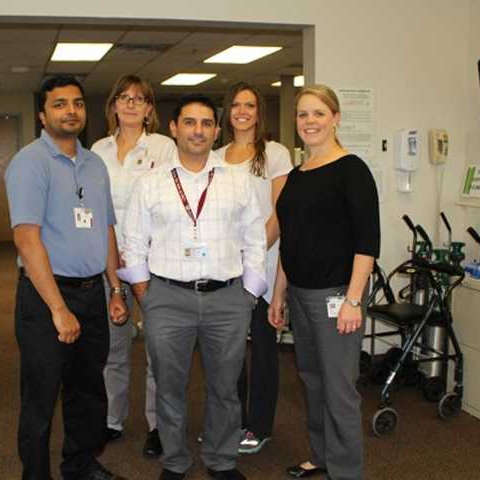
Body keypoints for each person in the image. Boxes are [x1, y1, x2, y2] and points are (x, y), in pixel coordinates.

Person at [119, 93, 267, 480]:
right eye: (189, 122)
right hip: (166, 298)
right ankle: (175, 462)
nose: (197, 131)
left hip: (227, 298)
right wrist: (145, 296)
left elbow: (255, 240)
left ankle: (221, 460)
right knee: (169, 387)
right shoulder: (150, 183)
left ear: (216, 131)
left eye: (205, 123)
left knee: (225, 388)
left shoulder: (238, 182)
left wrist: (248, 294)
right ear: (173, 128)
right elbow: (132, 243)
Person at [5, 74, 129, 480]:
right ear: (43, 114)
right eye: (59, 104)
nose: (71, 110)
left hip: (94, 292)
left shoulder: (95, 164)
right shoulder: (29, 162)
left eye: (77, 103)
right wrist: (58, 309)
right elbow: (26, 239)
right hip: (47, 298)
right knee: (41, 397)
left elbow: (105, 229)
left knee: (87, 391)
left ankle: (79, 466)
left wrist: (115, 289)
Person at [269, 85, 380, 480]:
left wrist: (353, 300)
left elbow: (367, 243)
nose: (309, 122)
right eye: (302, 114)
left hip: (336, 295)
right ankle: (322, 456)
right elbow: (290, 240)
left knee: (339, 388)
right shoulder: (297, 176)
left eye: (318, 113)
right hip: (299, 293)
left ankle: (346, 472)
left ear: (335, 118)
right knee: (312, 382)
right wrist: (278, 294)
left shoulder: (352, 169)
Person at [91, 74, 176, 457]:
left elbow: (174, 203)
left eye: (138, 99)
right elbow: (94, 210)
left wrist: (141, 248)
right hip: (110, 261)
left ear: (148, 109)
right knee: (113, 345)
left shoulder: (164, 147)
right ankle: (111, 420)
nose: (129, 104)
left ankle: (158, 425)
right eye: (122, 97)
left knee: (158, 349)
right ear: (113, 106)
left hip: (153, 262)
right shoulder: (97, 150)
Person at [216, 81, 293, 454]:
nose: (242, 111)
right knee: (228, 351)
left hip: (263, 264)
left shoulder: (275, 154)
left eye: (250, 105)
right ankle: (231, 421)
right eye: (236, 104)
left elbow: (281, 213)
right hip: (224, 268)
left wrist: (251, 253)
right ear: (227, 111)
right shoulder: (215, 156)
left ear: (259, 112)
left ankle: (258, 426)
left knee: (262, 349)